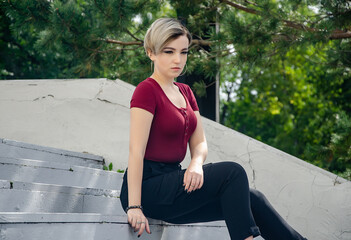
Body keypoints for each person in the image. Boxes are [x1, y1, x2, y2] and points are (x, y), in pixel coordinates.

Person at [120, 18, 307, 240]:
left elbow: (199, 142)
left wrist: (196, 164)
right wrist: (134, 205)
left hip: (176, 183)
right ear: (151, 53)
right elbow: (136, 151)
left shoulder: (186, 92)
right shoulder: (146, 90)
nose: (178, 60)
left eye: (184, 52)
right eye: (169, 52)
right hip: (149, 189)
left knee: (252, 198)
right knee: (232, 172)